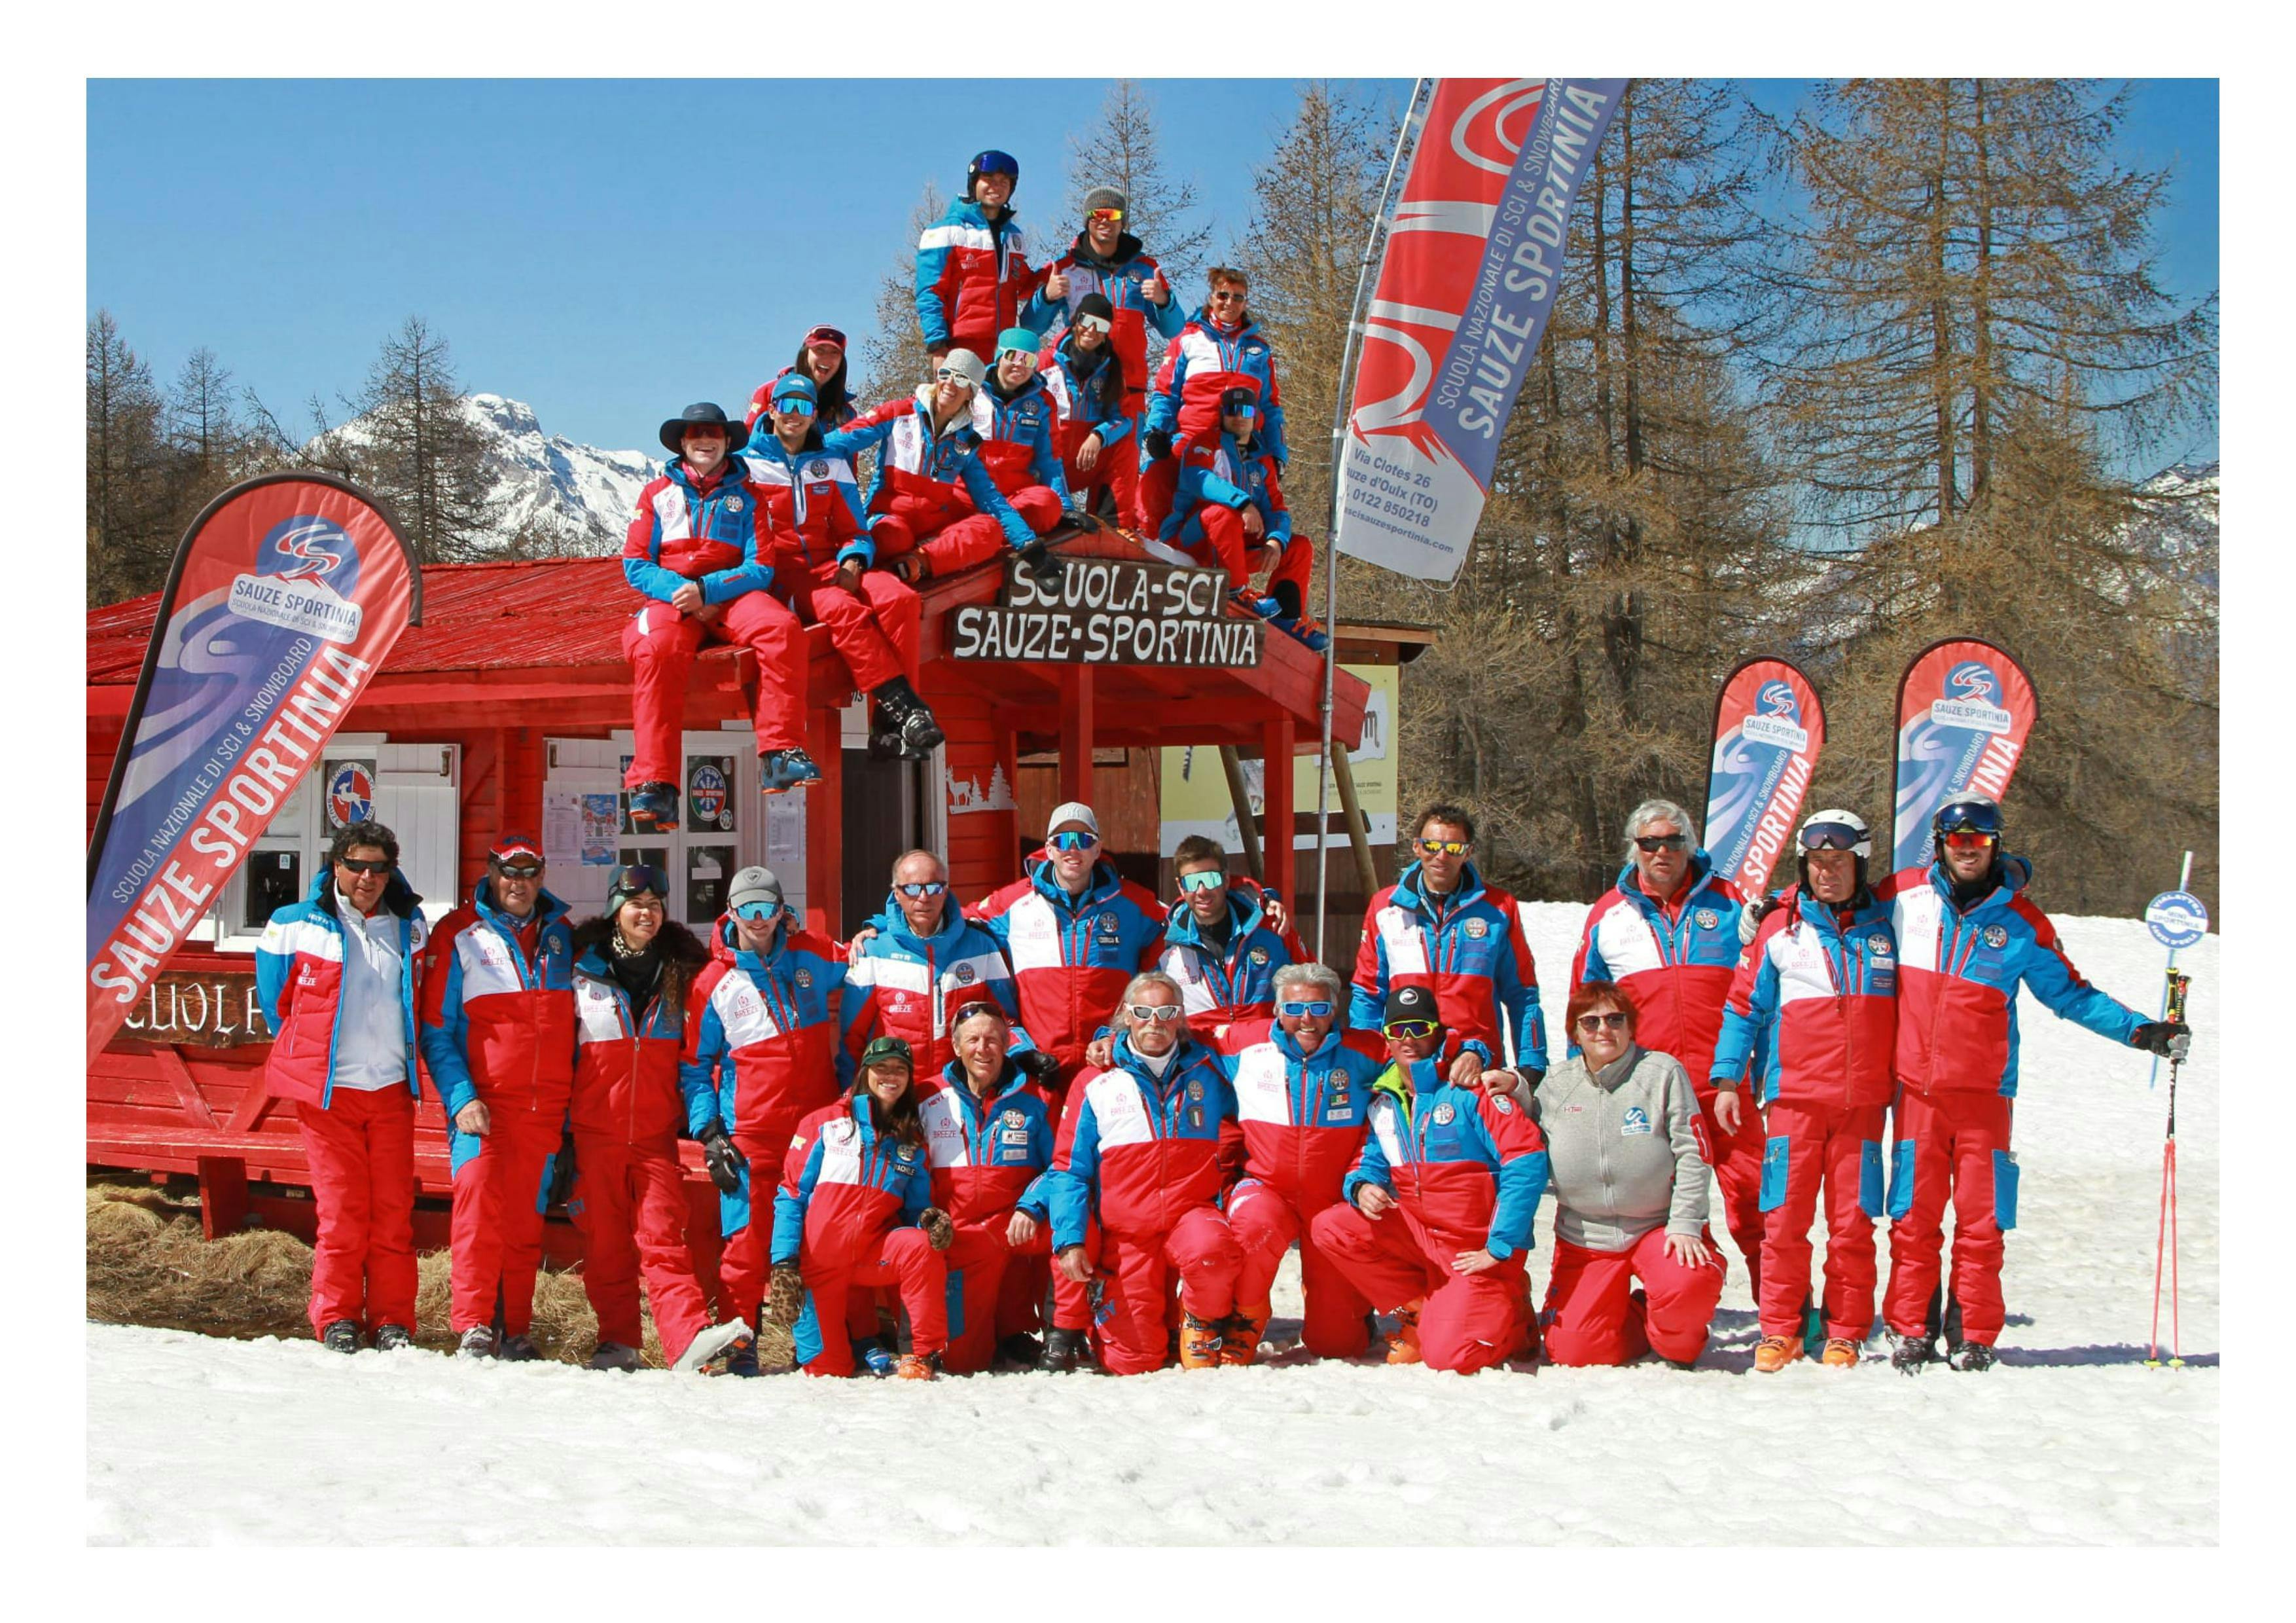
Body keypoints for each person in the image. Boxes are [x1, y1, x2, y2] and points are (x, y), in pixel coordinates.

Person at [1874, 793, 2189, 1372]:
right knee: (1914, 1217)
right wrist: (1775, 906)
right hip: (1916, 1093)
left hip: (1986, 1096)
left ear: (1996, 845)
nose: (1968, 851)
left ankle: (1973, 1332)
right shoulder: (1901, 896)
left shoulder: (2021, 921)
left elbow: (2070, 993)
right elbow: (1836, 904)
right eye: (1958, 840)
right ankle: (1911, 1326)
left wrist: (2141, 1031)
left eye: (1980, 842)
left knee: (1983, 1218)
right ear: (1941, 844)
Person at [1708, 810, 1897, 1371]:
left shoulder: (1888, 923)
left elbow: (1948, 892)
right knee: (1784, 1220)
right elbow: (1744, 1006)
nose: (1828, 873)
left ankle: (1844, 1330)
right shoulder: (1780, 926)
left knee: (1853, 1223)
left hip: (1861, 1104)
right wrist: (1726, 1079)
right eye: (1817, 862)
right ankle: (1780, 1328)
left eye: (1839, 862)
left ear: (1860, 864)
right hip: (1793, 1099)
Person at [1572, 797, 1765, 1297]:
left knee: (1757, 1200)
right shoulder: (1608, 915)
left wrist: (1766, 1067)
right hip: (1651, 1093)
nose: (1661, 851)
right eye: (1649, 842)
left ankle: (1783, 1311)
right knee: (1664, 1206)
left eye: (1672, 841)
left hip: (1727, 1085)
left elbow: (1767, 989)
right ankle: (1687, 1301)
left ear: (1689, 845)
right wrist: (1588, 1084)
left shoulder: (1730, 901)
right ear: (1634, 849)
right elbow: (1585, 1007)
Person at [567, 864, 753, 1374]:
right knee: (605, 1246)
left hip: (652, 1135)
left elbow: (733, 956)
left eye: (654, 904)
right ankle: (618, 1342)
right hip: (594, 1131)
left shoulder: (681, 969)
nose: (645, 913)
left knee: (664, 1238)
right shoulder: (581, 969)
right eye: (635, 904)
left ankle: (686, 1339)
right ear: (615, 909)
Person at [1309, 985, 1551, 1374]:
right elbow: (1370, 1158)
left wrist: (1500, 1246)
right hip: (1423, 1237)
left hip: (1475, 1249)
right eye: (1397, 1030)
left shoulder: (1471, 1089)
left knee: (1452, 1358)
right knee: (1332, 1227)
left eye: (1418, 1028)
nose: (1408, 1039)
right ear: (1386, 1037)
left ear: (1437, 1033)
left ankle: (1510, 1315)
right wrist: (1362, 1186)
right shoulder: (1385, 1097)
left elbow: (1526, 1160)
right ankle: (1427, 1312)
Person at [255, 820, 429, 1353]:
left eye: (379, 867)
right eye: (357, 865)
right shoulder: (292, 923)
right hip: (330, 1095)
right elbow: (274, 1006)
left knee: (394, 1212)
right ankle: (336, 1317)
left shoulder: (410, 925)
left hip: (392, 1091)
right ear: (336, 865)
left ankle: (394, 1319)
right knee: (343, 1212)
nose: (368, 877)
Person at [1488, 981, 1723, 1368]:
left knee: (1685, 1304)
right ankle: (1636, 1315)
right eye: (1590, 1021)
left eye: (1615, 1019)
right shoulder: (1559, 1083)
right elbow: (1531, 1127)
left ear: (1631, 1026)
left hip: (1658, 1227)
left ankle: (1672, 1325)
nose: (1604, 1029)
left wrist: (1685, 1223)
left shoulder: (1662, 1072)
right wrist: (1516, 1087)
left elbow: (1694, 1151)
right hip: (1587, 1234)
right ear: (1575, 1033)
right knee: (1576, 1352)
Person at [681, 865, 852, 1369]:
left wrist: (871, 935)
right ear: (731, 913)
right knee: (747, 1243)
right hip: (751, 1132)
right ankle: (740, 1346)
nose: (759, 920)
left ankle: (815, 1347)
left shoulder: (813, 953)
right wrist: (710, 1132)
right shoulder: (714, 980)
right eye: (748, 910)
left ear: (783, 910)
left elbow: (863, 962)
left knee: (815, 1236)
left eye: (768, 908)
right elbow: (695, 1066)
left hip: (817, 1127)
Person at [419, 833, 578, 1360]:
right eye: (510, 873)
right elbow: (436, 1028)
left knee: (525, 1222)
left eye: (530, 872)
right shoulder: (458, 933)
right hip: (482, 1106)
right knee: (478, 1212)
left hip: (545, 1106)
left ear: (543, 876)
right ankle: (474, 1326)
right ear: (491, 873)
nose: (520, 883)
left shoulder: (562, 935)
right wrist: (461, 1097)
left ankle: (515, 1329)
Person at [1037, 972, 1244, 1374]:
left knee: (1213, 1250)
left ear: (1181, 1017)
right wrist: (1070, 1239)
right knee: (1133, 1363)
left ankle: (1199, 1324)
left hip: (1190, 1216)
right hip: (1130, 1233)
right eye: (1144, 1012)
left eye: (1167, 1012)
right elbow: (1069, 1170)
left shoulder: (1209, 1070)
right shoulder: (1096, 1081)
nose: (1155, 1022)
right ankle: (1125, 1322)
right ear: (1126, 1016)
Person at [621, 401, 816, 817]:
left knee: (782, 628)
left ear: (728, 441)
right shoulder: (656, 494)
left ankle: (779, 755)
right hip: (672, 599)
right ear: (682, 442)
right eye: (695, 433)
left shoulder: (750, 497)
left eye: (713, 433)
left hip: (732, 595)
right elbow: (636, 564)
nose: (704, 440)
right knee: (653, 650)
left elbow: (761, 567)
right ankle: (655, 783)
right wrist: (684, 591)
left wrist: (708, 590)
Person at [741, 371, 943, 761]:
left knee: (901, 599)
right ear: (772, 410)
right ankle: (906, 709)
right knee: (842, 609)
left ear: (814, 414)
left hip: (828, 564)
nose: (794, 415)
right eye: (787, 405)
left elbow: (856, 530)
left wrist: (853, 560)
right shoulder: (747, 466)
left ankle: (886, 730)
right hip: (781, 573)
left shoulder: (830, 463)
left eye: (804, 407)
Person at [1214, 962, 1385, 1363]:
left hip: (1332, 1196)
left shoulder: (1369, 1050)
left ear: (1335, 1009)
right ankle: (1244, 1316)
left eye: (1318, 1007)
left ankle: (1352, 1314)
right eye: (1293, 1008)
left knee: (1339, 1345)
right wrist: (1111, 1044)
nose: (1306, 1019)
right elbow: (1173, 1039)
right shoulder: (1242, 1042)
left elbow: (1427, 1052)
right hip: (1266, 1188)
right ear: (1276, 1010)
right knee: (1256, 1226)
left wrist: (1473, 1052)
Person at [763, 1036, 955, 1379]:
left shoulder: (910, 1143)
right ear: (865, 1072)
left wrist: (930, 1220)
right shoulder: (824, 1124)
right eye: (881, 1068)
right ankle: (845, 1346)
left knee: (922, 1246)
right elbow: (791, 1195)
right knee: (828, 1372)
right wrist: (784, 1262)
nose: (890, 1076)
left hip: (870, 1257)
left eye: (900, 1069)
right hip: (817, 1266)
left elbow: (916, 1211)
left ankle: (921, 1354)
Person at [969, 801, 1165, 1093]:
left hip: (1108, 1061)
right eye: (1063, 841)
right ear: (1049, 850)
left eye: (1083, 840)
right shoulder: (1014, 904)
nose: (1073, 849)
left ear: (1097, 850)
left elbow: (1189, 919)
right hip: (1040, 1067)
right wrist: (883, 928)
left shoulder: (1134, 904)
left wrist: (1252, 906)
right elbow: (948, 920)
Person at [1350, 803, 1547, 1085]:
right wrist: (1366, 1061)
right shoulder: (1385, 908)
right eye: (1431, 845)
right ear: (1416, 847)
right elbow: (1368, 992)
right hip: (1407, 1064)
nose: (1441, 856)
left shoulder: (1499, 909)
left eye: (1453, 848)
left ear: (1468, 852)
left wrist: (1532, 1063)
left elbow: (1523, 994)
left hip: (1477, 1066)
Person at [920, 1002, 1065, 1374]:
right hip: (962, 1235)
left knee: (1078, 1228)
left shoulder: (1037, 1097)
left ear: (1007, 1044)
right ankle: (993, 1334)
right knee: (962, 1360)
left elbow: (1063, 1166)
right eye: (973, 1040)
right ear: (955, 1046)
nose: (982, 1048)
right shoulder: (927, 1097)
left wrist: (1032, 1203)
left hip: (1017, 1221)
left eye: (992, 1040)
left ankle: (1064, 1332)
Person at [827, 350, 1056, 588]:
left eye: (961, 379)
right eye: (946, 374)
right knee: (893, 537)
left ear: (971, 393)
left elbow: (990, 498)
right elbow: (840, 442)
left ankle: (917, 563)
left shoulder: (966, 441)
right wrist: (796, 451)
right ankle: (894, 570)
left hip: (932, 530)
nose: (950, 384)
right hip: (890, 519)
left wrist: (1032, 549)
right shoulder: (899, 413)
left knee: (989, 530)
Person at [838, 847, 1057, 1084]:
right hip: (897, 1096)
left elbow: (1006, 1022)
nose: (924, 897)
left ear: (945, 891)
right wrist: (852, 1096)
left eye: (934, 887)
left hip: (961, 1094)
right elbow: (853, 1039)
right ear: (897, 894)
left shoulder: (980, 946)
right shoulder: (873, 951)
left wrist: (1023, 1054)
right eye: (911, 888)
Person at [1161, 381, 1325, 650]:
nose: (1239, 417)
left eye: (1245, 411)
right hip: (1194, 544)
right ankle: (1237, 593)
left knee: (1298, 547)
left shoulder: (1262, 459)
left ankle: (1286, 619)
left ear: (1255, 415)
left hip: (1234, 550)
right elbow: (1197, 478)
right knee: (1225, 513)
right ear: (1222, 415)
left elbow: (1278, 510)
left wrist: (1275, 541)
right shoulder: (1204, 444)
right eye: (1232, 410)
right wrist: (1244, 504)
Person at [1138, 266, 1286, 536]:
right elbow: (1166, 392)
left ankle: (1237, 565)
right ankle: (1149, 546)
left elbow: (1271, 407)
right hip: (1194, 435)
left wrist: (1278, 452)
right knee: (1155, 480)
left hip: (1243, 443)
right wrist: (1156, 431)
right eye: (1223, 295)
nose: (1230, 303)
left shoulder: (1259, 350)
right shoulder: (1189, 338)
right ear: (1212, 297)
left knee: (1253, 505)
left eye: (1238, 297)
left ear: (1246, 302)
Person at [1158, 833, 1304, 1044]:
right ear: (1181, 887)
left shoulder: (1272, 926)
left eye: (1211, 879)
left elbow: (1312, 985)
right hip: (1205, 1065)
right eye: (1192, 882)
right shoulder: (1165, 942)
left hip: (1267, 1058)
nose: (1202, 891)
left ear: (1226, 880)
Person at [916, 149, 1037, 363]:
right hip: (961, 343)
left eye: (1004, 182)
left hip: (1003, 346)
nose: (996, 187)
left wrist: (1061, 268)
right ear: (974, 184)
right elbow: (931, 292)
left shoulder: (1014, 236)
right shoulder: (945, 231)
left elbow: (1023, 285)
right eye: (988, 180)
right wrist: (938, 345)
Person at [1037, 293, 1135, 524]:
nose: (1091, 330)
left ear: (1107, 332)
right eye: (1086, 321)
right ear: (1075, 322)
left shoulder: (1111, 371)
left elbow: (1125, 418)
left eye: (1100, 325)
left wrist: (1099, 435)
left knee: (1127, 447)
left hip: (1082, 461)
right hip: (1045, 464)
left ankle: (1113, 525)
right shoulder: (1046, 362)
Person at [979, 326, 1077, 524]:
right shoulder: (972, 392)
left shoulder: (1043, 402)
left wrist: (1065, 507)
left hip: (1016, 494)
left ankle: (1004, 528)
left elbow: (1050, 460)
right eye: (1013, 357)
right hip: (975, 487)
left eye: (1028, 360)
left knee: (1049, 506)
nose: (1019, 366)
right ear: (1000, 357)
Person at [746, 324, 859, 434]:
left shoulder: (847, 413)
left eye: (835, 352)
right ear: (805, 354)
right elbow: (747, 440)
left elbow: (849, 451)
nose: (826, 359)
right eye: (820, 350)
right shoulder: (769, 392)